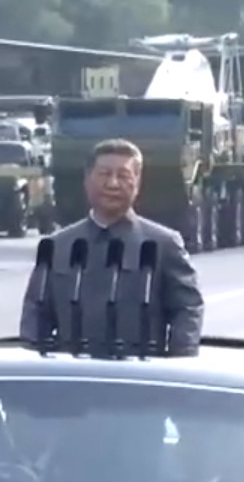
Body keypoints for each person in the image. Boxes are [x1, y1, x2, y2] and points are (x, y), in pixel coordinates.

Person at [19, 139, 204, 356]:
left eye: (123, 176)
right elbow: (35, 315)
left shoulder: (163, 244)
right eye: (104, 174)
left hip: (140, 376)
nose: (113, 184)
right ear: (87, 180)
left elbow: (188, 309)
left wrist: (177, 363)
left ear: (138, 181)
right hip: (72, 376)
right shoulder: (58, 246)